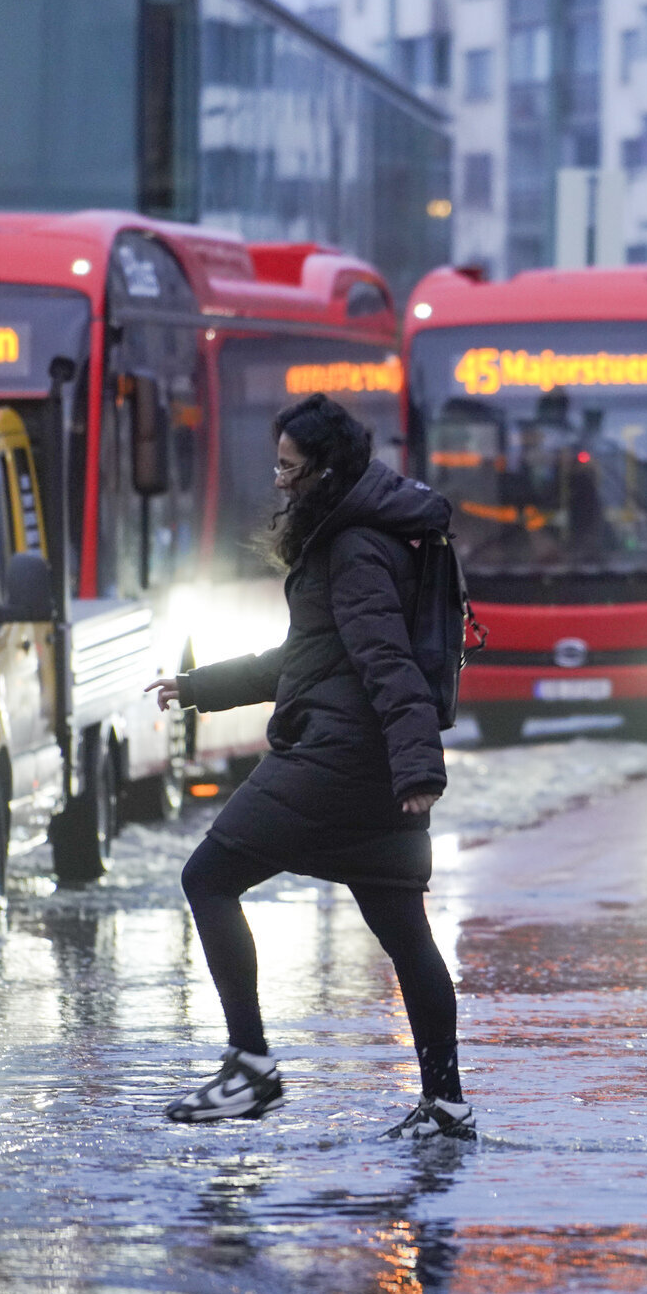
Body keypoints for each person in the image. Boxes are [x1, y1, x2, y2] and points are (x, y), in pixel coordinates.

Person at [148, 394, 474, 1140]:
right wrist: (199, 688)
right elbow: (304, 661)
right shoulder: (354, 537)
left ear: (326, 471)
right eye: (278, 463)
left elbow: (389, 663)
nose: (280, 480)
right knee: (405, 931)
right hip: (369, 770)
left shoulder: (353, 548)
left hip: (336, 760)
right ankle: (446, 1104)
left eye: (291, 467)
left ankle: (251, 1066)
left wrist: (420, 769)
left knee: (209, 876)